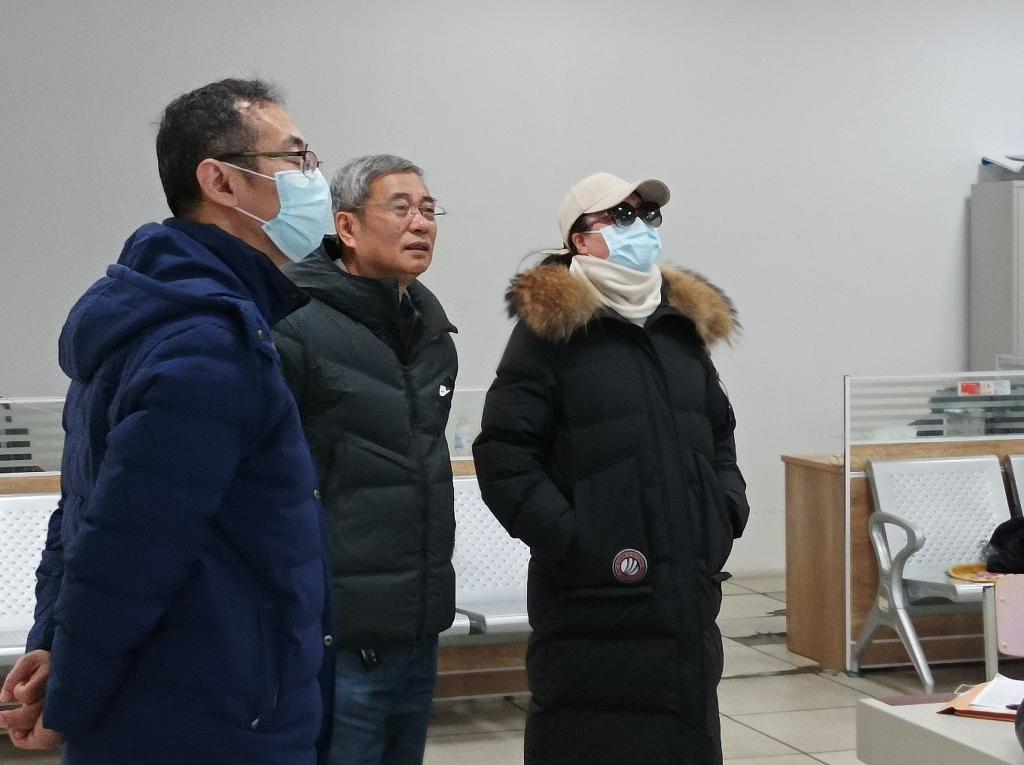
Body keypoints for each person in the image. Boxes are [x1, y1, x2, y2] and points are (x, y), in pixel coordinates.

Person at [0, 78, 336, 764]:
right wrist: (68, 698)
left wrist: (53, 646)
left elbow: (85, 511)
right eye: (294, 158)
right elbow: (127, 550)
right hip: (210, 718)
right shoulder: (205, 343)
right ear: (221, 181)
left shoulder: (149, 313)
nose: (314, 179)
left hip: (176, 700)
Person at [473, 172, 750, 765]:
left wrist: (723, 513)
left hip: (687, 596)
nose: (640, 227)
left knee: (686, 736)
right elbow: (503, 456)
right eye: (621, 216)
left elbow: (719, 434)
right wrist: (577, 542)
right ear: (579, 239)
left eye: (646, 215)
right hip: (591, 604)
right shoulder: (550, 333)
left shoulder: (680, 330)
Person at [272, 154, 458, 765]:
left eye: (428, 210)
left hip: (417, 625)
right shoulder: (294, 324)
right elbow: (275, 482)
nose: (421, 223)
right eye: (400, 208)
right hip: (338, 634)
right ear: (347, 227)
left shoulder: (431, 333)